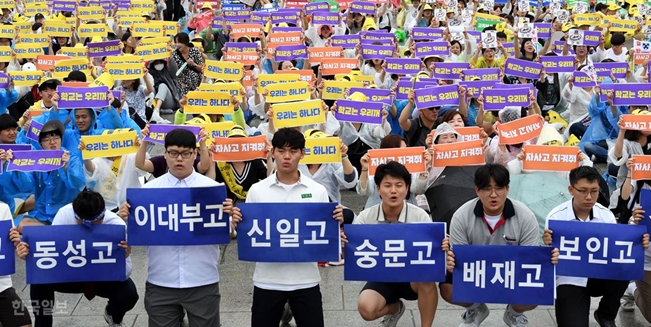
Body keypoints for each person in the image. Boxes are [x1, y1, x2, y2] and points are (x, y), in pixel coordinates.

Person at [118, 129, 238, 327]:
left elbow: (227, 233)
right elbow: (134, 237)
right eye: (173, 153)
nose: (179, 159)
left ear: (195, 154)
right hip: (161, 279)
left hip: (202, 279)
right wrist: (126, 218)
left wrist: (230, 220)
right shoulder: (148, 192)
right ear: (165, 154)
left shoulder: (211, 189)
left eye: (185, 153)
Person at [237, 127, 343, 327]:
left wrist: (335, 221)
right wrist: (237, 220)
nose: (287, 157)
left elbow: (322, 233)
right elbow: (249, 232)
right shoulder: (257, 191)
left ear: (303, 154)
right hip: (267, 279)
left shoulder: (317, 191)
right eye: (281, 150)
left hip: (306, 279)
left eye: (293, 151)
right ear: (272, 152)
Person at [440, 164, 559, 326]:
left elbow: (529, 258)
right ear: (477, 191)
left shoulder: (525, 216)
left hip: (512, 272)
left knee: (537, 290)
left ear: (507, 188)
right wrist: (451, 262)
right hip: (477, 272)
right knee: (447, 289)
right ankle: (476, 309)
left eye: (499, 188)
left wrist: (547, 258)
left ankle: (514, 313)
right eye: (487, 189)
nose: (493, 195)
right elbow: (460, 260)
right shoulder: (461, 216)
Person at [17, 189, 138, 327]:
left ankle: (113, 316)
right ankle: (42, 324)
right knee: (39, 280)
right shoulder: (64, 214)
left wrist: (123, 257)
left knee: (129, 295)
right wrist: (28, 255)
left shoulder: (116, 225)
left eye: (95, 223)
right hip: (70, 275)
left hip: (102, 278)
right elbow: (52, 256)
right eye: (84, 223)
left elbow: (126, 273)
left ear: (103, 215)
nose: (89, 228)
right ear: (76, 216)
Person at [544, 167, 648, 327]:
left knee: (626, 266)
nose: (589, 197)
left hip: (599, 274)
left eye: (594, 191)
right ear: (571, 190)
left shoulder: (605, 215)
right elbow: (549, 260)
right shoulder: (556, 217)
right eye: (583, 191)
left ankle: (606, 314)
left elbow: (616, 250)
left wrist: (637, 243)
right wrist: (548, 248)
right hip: (570, 278)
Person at [346, 161, 442, 327]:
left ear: (407, 188)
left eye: (399, 185)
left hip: (412, 277)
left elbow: (433, 252)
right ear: (378, 189)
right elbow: (353, 251)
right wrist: (344, 246)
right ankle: (395, 309)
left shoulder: (420, 216)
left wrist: (442, 247)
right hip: (382, 276)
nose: (393, 191)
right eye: (387, 185)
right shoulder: (365, 217)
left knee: (428, 279)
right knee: (366, 309)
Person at [17, 120, 85, 232]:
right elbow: (26, 186)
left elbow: (78, 185)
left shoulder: (72, 159)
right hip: (42, 216)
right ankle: (52, 231)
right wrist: (18, 169)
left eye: (56, 138)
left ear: (61, 140)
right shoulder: (36, 160)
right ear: (40, 144)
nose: (52, 142)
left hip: (66, 216)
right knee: (18, 225)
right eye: (47, 140)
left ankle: (49, 232)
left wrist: (66, 167)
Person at [172, 32, 204, 98]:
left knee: (192, 75)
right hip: (182, 78)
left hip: (195, 77)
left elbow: (202, 68)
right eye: (176, 43)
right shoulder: (174, 54)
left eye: (179, 42)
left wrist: (194, 64)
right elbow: (176, 72)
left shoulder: (195, 51)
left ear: (185, 42)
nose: (177, 45)